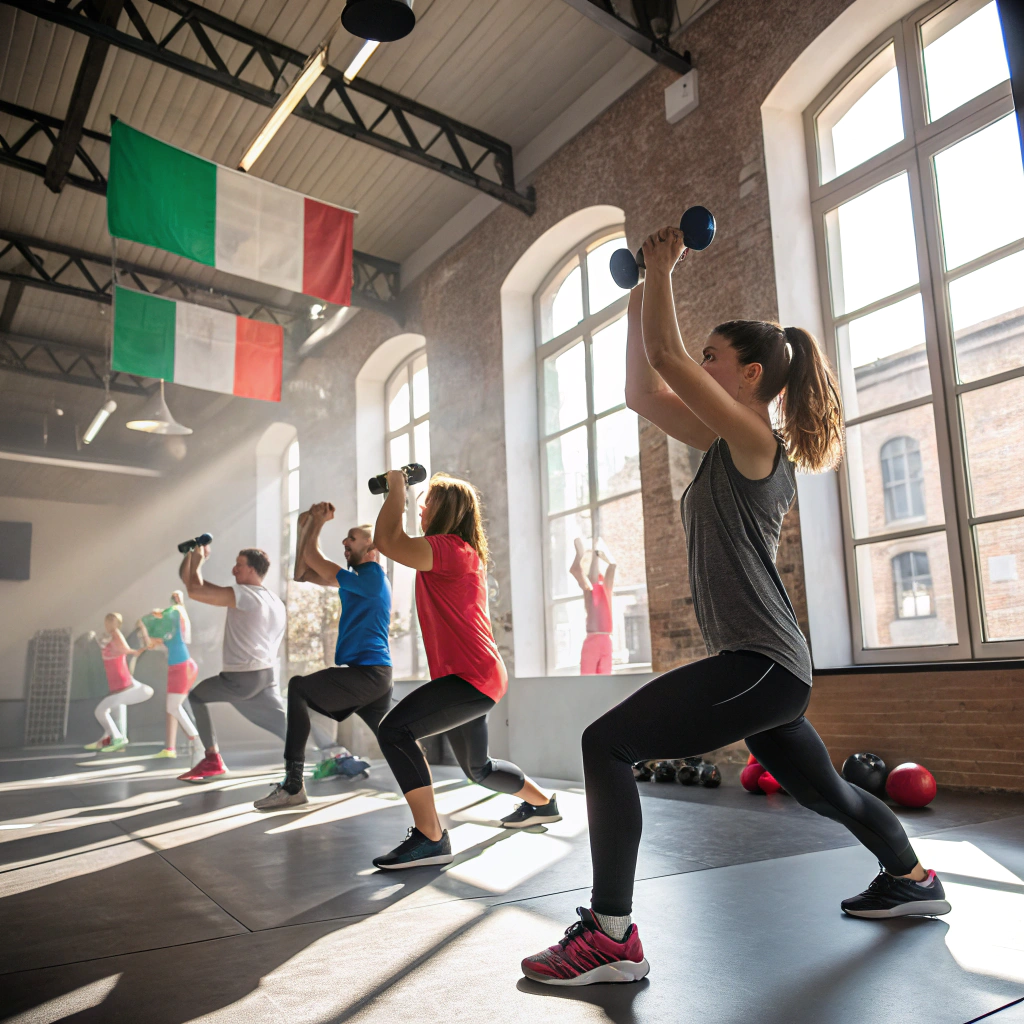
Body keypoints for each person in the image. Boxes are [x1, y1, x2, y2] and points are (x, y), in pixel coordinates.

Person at [521, 227, 951, 986]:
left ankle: (612, 937)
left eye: (714, 358)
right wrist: (636, 298)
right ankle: (913, 880)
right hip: (764, 669)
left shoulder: (756, 440)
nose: (702, 365)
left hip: (763, 663)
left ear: (749, 375)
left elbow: (666, 360)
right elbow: (642, 390)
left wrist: (663, 270)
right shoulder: (726, 442)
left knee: (605, 744)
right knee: (833, 795)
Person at [371, 471, 561, 869]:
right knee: (479, 768)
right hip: (475, 676)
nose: (421, 507)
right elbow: (395, 543)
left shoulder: (450, 549)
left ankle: (430, 837)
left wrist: (397, 489)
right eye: (419, 501)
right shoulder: (453, 551)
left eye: (429, 501)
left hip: (470, 677)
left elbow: (387, 542)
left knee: (394, 730)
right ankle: (544, 804)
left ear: (448, 510)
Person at [254, 502, 393, 810]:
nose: (345, 542)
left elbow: (313, 558)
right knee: (397, 738)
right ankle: (427, 785)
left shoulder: (371, 576)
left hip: (368, 675)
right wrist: (305, 527)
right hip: (371, 675)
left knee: (299, 688)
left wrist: (316, 523)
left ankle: (293, 785)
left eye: (352, 538)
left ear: (373, 549)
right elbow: (302, 572)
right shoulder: (357, 581)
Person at [175, 544, 287, 782]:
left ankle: (212, 759)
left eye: (239, 565)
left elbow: (194, 590)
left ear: (253, 569)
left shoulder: (245, 595)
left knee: (196, 696)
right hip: (264, 676)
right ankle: (332, 753)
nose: (234, 569)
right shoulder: (273, 599)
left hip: (241, 678)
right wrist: (192, 558)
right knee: (283, 725)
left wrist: (199, 559)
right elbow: (190, 582)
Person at [140, 592, 200, 759]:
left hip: (183, 667)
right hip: (177, 668)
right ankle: (178, 747)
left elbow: (176, 612)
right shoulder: (167, 634)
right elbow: (151, 643)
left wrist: (165, 610)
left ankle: (199, 744)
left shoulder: (175, 619)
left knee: (174, 707)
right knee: (173, 707)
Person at [87, 613, 154, 753]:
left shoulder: (116, 634)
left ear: (117, 623)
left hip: (123, 685)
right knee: (111, 713)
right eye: (107, 621)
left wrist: (136, 648)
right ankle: (108, 740)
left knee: (101, 711)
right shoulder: (110, 637)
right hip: (117, 686)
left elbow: (125, 649)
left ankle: (118, 738)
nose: (108, 624)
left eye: (111, 621)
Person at [570, 538, 616, 675]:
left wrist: (600, 553)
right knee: (589, 677)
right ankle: (578, 566)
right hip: (597, 638)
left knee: (602, 677)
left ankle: (577, 567)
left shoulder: (605, 588)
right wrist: (599, 553)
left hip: (603, 639)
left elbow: (612, 567)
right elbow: (611, 566)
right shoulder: (593, 590)